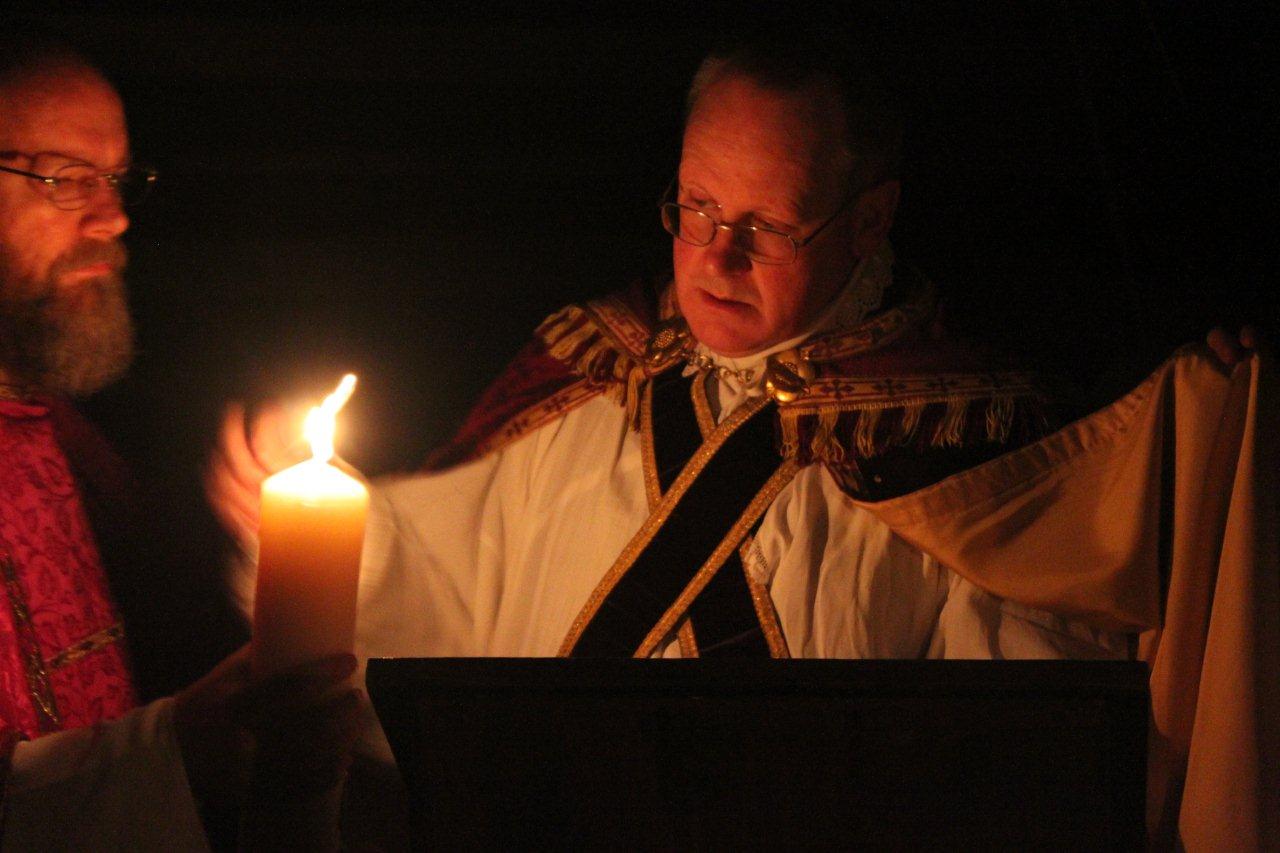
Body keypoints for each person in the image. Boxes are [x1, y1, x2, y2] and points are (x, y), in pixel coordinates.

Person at [208, 35, 1273, 850]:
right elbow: (441, 580)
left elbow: (1009, 760)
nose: (713, 256)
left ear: (868, 219)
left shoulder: (977, 452)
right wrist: (318, 519)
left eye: (765, 225)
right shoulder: (588, 376)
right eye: (694, 205)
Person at [0, 37, 360, 850]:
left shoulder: (74, 443)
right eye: (63, 178)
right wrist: (180, 746)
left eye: (118, 178)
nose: (114, 214)